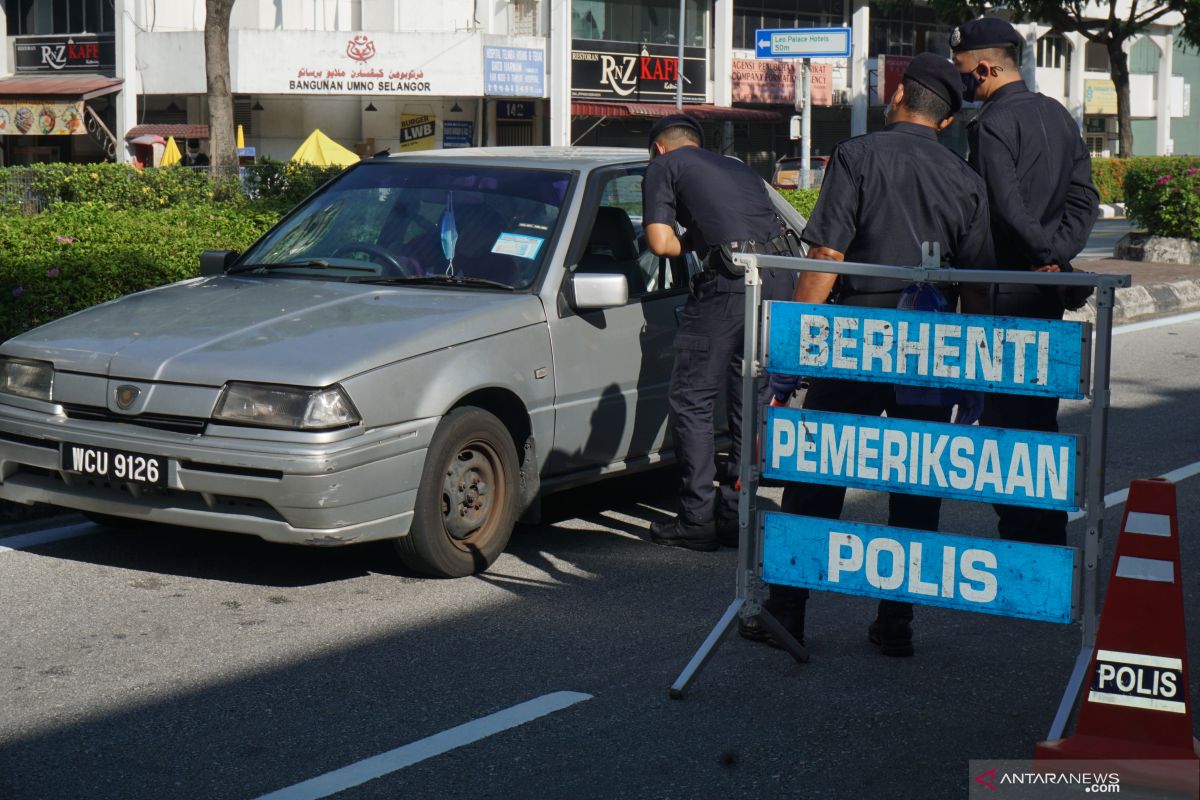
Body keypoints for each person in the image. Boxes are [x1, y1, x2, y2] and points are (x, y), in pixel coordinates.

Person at [739, 53, 995, 657]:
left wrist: (792, 349)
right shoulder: (966, 179)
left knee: (818, 475)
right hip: (932, 349)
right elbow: (980, 285)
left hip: (855, 339)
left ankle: (788, 614)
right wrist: (975, 371)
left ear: (903, 94)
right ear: (949, 119)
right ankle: (895, 624)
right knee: (915, 481)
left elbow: (826, 257)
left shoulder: (857, 155)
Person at [951, 17, 1100, 547]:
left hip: (1003, 290)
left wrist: (1043, 256)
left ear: (988, 67)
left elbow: (1006, 206)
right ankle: (1049, 533)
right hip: (1044, 293)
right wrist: (1058, 258)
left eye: (965, 71)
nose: (963, 82)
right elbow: (1086, 199)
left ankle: (1022, 541)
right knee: (1040, 417)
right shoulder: (1058, 115)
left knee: (1003, 426)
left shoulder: (990, 124)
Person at [641, 114, 797, 552]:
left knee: (692, 398)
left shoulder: (663, 167)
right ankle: (735, 514)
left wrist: (688, 240)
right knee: (751, 398)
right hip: (777, 279)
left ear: (659, 148)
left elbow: (659, 243)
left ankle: (696, 518)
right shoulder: (738, 167)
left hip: (727, 284)